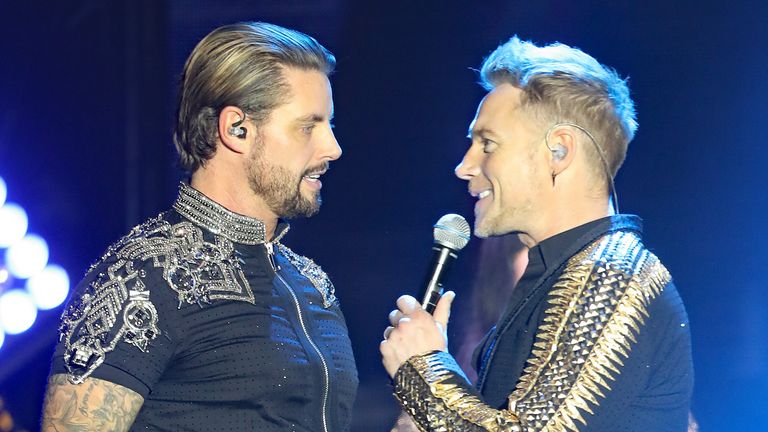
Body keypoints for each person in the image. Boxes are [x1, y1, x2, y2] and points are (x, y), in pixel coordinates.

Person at [41, 22, 357, 431]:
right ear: (236, 130)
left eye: (329, 125)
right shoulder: (142, 276)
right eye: (307, 126)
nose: (332, 147)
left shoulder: (312, 283)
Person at [380, 36, 693, 431]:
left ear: (559, 151)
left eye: (487, 144)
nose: (465, 166)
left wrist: (423, 371)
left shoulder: (611, 277)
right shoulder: (562, 276)